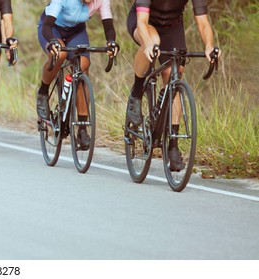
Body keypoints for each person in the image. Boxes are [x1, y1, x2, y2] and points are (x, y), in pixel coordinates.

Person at [126, 0, 216, 170]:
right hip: (145, 23)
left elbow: (203, 22)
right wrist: (149, 44)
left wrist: (209, 46)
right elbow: (142, 21)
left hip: (173, 26)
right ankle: (136, 94)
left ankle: (173, 145)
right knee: (152, 40)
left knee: (176, 74)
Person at [36, 0, 118, 150]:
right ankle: (43, 91)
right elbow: (47, 26)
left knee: (83, 66)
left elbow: (108, 25)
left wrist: (111, 42)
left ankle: (82, 128)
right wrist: (53, 41)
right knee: (59, 54)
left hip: (76, 31)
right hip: (51, 28)